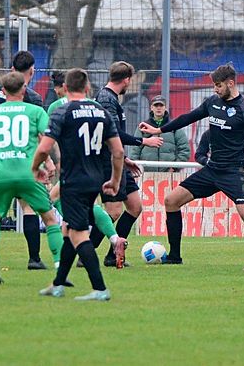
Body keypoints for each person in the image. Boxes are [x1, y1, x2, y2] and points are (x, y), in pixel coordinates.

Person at [138, 64, 244, 267]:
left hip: (234, 172)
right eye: (214, 85)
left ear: (230, 83)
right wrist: (158, 130)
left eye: (218, 85)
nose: (215, 89)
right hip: (212, 169)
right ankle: (174, 257)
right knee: (171, 201)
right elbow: (187, 118)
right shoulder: (212, 102)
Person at [33, 68, 124, 301]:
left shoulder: (62, 111)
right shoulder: (101, 111)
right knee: (68, 229)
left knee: (78, 233)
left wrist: (35, 168)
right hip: (95, 180)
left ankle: (100, 288)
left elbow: (44, 148)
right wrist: (114, 181)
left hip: (73, 181)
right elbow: (118, 151)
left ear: (65, 88)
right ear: (87, 87)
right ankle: (58, 284)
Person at [0, 71, 62, 285]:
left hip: (0, 174)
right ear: (24, 89)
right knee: (49, 218)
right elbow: (47, 140)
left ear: (3, 91)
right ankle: (60, 268)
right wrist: (50, 163)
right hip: (29, 173)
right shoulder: (36, 111)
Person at [46, 75, 127, 268]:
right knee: (82, 209)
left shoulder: (57, 107)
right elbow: (116, 146)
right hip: (96, 169)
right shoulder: (97, 108)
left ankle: (110, 243)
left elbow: (50, 141)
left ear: (65, 87)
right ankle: (63, 272)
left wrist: (52, 162)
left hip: (74, 168)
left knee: (58, 202)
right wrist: (117, 175)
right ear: (87, 87)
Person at [0, 50, 47, 270]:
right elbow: (41, 136)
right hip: (21, 158)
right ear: (32, 71)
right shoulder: (33, 98)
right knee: (28, 205)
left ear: (11, 70)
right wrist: (47, 163)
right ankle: (34, 258)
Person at [93, 61, 163, 267]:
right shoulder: (106, 99)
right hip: (108, 163)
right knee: (113, 211)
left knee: (134, 207)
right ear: (126, 80)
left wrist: (124, 159)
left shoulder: (112, 98)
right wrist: (144, 141)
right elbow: (112, 134)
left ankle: (112, 256)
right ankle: (84, 250)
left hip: (118, 160)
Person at [129, 95, 190, 171]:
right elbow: (135, 150)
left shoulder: (174, 127)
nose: (158, 108)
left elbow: (185, 150)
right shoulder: (143, 126)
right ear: (151, 107)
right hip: (146, 172)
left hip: (169, 174)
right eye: (156, 105)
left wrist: (174, 168)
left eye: (161, 105)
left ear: (165, 108)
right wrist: (137, 168)